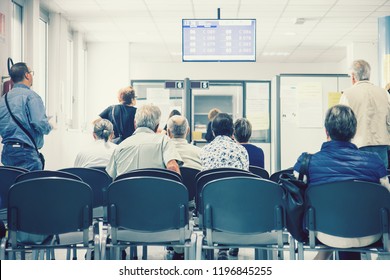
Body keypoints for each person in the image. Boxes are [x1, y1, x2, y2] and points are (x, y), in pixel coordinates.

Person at [293, 104, 390, 260]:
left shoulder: (308, 162)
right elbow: (386, 196)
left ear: (326, 131)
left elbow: (295, 191)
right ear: (354, 132)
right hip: (370, 234)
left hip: (325, 233)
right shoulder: (375, 162)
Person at [106, 104, 182, 179]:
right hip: (155, 190)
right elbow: (173, 168)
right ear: (157, 126)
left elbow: (111, 178)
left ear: (135, 123)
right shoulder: (163, 141)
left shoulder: (120, 147)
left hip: (126, 191)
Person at [0, 62, 52, 171]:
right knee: (30, 187)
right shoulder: (32, 97)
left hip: (7, 153)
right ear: (27, 75)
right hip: (27, 154)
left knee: (11, 186)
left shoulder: (3, 99)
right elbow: (40, 123)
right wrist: (49, 126)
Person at [339, 59, 390, 168]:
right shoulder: (384, 93)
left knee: (361, 182)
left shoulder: (347, 94)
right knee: (381, 181)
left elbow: (342, 124)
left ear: (353, 76)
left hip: (357, 147)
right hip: (381, 147)